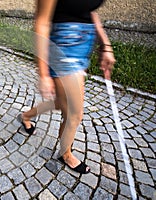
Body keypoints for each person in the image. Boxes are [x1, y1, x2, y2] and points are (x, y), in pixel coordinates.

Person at [18, 0, 116, 174]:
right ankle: (66, 154)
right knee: (74, 114)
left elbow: (89, 11)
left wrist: (105, 44)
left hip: (83, 48)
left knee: (61, 103)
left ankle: (26, 116)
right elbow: (41, 22)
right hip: (63, 49)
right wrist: (44, 74)